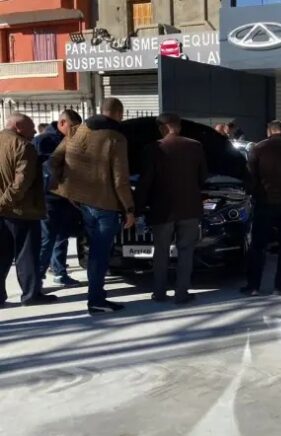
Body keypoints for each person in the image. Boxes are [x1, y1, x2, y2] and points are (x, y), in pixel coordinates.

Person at [49, 98, 135, 315]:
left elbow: (53, 160)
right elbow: (120, 179)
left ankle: (96, 297)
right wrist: (129, 209)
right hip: (105, 203)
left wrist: (67, 189)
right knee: (100, 254)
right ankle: (96, 300)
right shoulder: (116, 138)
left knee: (94, 251)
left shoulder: (76, 131)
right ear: (119, 113)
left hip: (83, 203)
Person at [136, 113, 207, 305]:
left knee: (161, 251)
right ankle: (181, 293)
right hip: (190, 208)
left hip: (162, 209)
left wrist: (138, 208)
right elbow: (203, 177)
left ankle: (159, 292)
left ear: (162, 128)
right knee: (186, 251)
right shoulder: (196, 146)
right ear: (179, 126)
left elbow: (145, 182)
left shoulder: (152, 149)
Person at [242, 120, 281, 296]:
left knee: (258, 246)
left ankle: (253, 286)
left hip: (264, 204)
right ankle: (280, 284)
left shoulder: (258, 149)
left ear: (269, 132)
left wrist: (252, 194)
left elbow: (250, 178)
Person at [0, 113, 57, 307]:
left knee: (2, 255)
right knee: (27, 256)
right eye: (31, 127)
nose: (34, 131)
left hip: (4, 211)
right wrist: (4, 202)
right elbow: (21, 183)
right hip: (22, 211)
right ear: (18, 126)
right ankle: (31, 294)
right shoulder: (24, 146)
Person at [32, 110, 82, 287]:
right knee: (47, 240)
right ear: (62, 123)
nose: (75, 131)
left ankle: (59, 272)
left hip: (65, 198)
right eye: (73, 127)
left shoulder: (71, 140)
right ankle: (35, 280)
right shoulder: (43, 141)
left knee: (62, 238)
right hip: (49, 199)